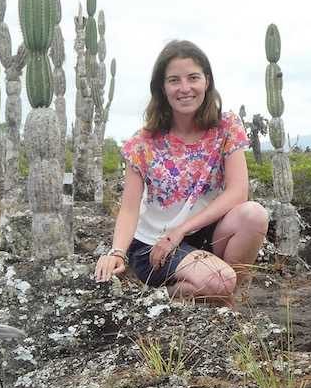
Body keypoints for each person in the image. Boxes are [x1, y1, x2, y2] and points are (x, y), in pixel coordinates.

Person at [93, 39, 269, 304]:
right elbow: (129, 209)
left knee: (254, 215)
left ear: (206, 81)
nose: (185, 88)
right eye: (174, 80)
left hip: (202, 233)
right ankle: (160, 297)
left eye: (193, 78)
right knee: (219, 279)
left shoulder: (226, 127)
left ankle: (228, 301)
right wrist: (117, 252)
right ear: (162, 88)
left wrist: (182, 230)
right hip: (154, 245)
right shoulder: (142, 144)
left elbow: (237, 192)